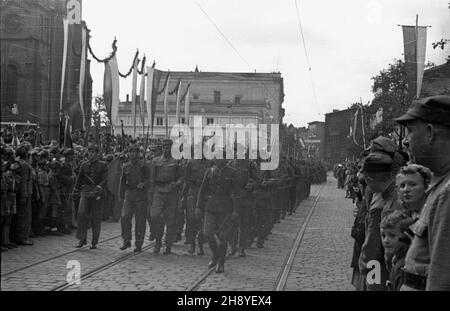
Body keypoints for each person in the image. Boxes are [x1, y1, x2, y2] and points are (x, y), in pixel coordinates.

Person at [395, 95, 450, 290]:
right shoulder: (439, 184)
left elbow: (441, 280)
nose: (406, 142)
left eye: (410, 132)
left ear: (430, 132)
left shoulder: (447, 193)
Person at [358, 151, 402, 291]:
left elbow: (373, 246)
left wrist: (365, 268)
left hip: (379, 268)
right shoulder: (398, 192)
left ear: (370, 180)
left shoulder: (381, 205)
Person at [195, 155, 240, 273]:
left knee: (223, 237)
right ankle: (215, 255)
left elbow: (236, 193)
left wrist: (235, 210)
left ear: (225, 159)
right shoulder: (209, 171)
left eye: (220, 157)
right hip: (210, 206)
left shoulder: (232, 172)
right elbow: (202, 190)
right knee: (207, 233)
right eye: (216, 157)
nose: (217, 159)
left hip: (225, 208)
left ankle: (221, 263)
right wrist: (198, 206)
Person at [148, 139, 183, 255]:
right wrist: (151, 194)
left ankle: (167, 244)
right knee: (155, 216)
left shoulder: (177, 161)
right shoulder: (155, 161)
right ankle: (158, 240)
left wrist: (176, 184)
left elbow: (182, 177)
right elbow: (152, 179)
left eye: (168, 147)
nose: (165, 149)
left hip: (171, 192)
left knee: (170, 220)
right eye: (164, 146)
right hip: (158, 191)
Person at [74, 144, 108, 249]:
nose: (92, 154)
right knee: (81, 213)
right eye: (90, 152)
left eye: (94, 152)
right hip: (86, 191)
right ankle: (82, 238)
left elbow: (105, 180)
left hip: (97, 193)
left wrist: (98, 188)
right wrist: (75, 189)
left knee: (95, 217)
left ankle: (94, 241)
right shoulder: (84, 165)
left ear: (97, 154)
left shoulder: (103, 165)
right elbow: (79, 179)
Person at [118, 145, 149, 252]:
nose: (133, 154)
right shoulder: (126, 166)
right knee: (125, 217)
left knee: (140, 221)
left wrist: (144, 184)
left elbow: (150, 179)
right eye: (131, 152)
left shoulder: (144, 165)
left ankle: (139, 243)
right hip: (129, 194)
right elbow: (122, 182)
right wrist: (121, 196)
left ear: (138, 153)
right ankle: (126, 240)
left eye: (135, 152)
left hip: (140, 195)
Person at [381, 210, 414, 291]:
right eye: (383, 235)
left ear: (406, 237)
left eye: (392, 236)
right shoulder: (397, 258)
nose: (386, 240)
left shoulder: (403, 267)